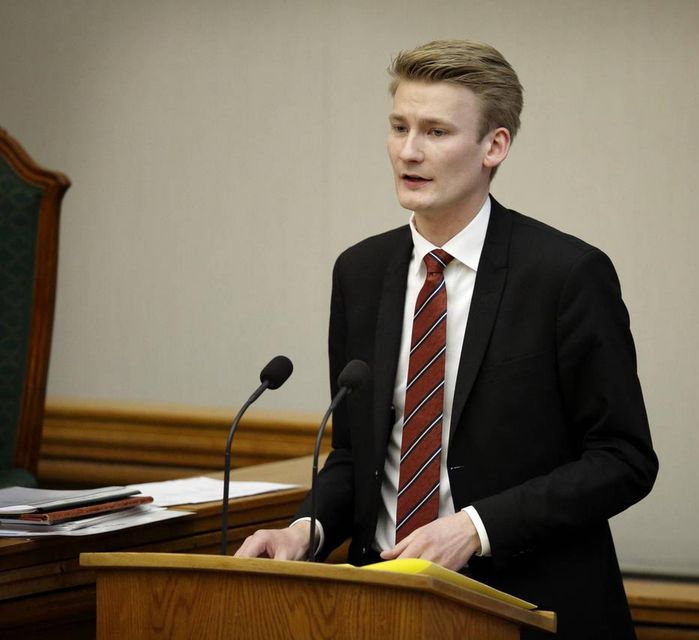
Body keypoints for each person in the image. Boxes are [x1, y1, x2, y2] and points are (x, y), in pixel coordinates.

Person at [236, 39, 658, 639]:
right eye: (399, 127)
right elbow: (357, 454)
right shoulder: (360, 272)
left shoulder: (565, 276)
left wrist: (474, 528)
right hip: (381, 606)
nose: (409, 151)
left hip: (526, 608)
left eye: (436, 132)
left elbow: (623, 459)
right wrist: (307, 529)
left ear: (494, 146)